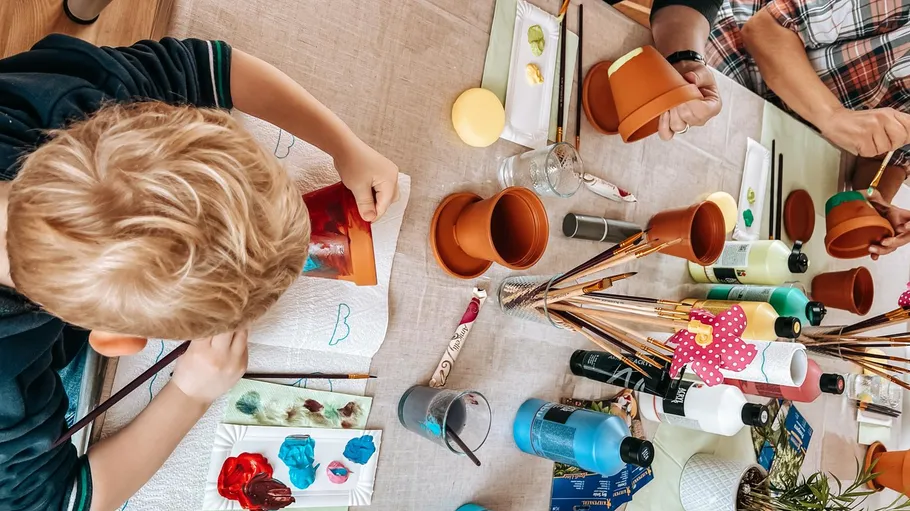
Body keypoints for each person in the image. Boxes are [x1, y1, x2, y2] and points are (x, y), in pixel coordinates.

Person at [0, 35, 398, 511]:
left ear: (144, 118)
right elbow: (58, 501)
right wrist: (191, 392)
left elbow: (210, 67)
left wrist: (345, 146)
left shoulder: (73, 102)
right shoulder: (8, 386)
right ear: (113, 338)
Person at [648, 0, 910, 258]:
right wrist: (834, 117)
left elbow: (890, 156)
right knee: (661, 170)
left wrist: (878, 203)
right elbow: (765, 31)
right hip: (733, 68)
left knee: (712, 230)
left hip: (789, 138)